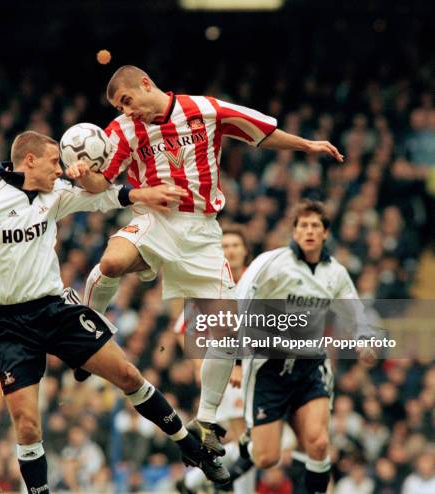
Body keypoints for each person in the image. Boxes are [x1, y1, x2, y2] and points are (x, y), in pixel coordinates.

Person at [0, 130, 231, 493]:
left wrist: (140, 194)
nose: (59, 171)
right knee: (28, 426)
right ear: (29, 161)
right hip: (9, 323)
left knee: (127, 374)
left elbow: (99, 199)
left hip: (55, 308)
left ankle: (191, 447)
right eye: (53, 163)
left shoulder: (52, 194)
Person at [65, 64, 344, 453]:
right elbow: (102, 184)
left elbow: (260, 133)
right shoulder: (122, 130)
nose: (127, 112)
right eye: (119, 107)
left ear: (146, 84)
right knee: (110, 263)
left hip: (202, 234)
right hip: (155, 221)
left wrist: (308, 146)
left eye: (127, 101)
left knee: (226, 331)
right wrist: (82, 173)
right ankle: (84, 336)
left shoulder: (203, 110)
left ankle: (207, 420)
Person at [223, 200, 372, 494]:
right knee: (268, 458)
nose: (309, 231)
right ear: (294, 231)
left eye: (316, 225)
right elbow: (239, 307)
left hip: (310, 366)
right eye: (303, 225)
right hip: (270, 367)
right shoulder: (271, 264)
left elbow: (354, 313)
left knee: (318, 442)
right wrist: (238, 362)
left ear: (325, 233)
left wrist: (365, 342)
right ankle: (244, 449)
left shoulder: (336, 273)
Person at [175, 226, 256, 494]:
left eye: (235, 245)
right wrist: (200, 367)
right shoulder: (211, 283)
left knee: (255, 440)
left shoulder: (257, 282)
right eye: (225, 245)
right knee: (243, 435)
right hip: (227, 375)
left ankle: (193, 483)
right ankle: (215, 485)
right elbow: (183, 329)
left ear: (245, 250)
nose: (230, 250)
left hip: (256, 372)